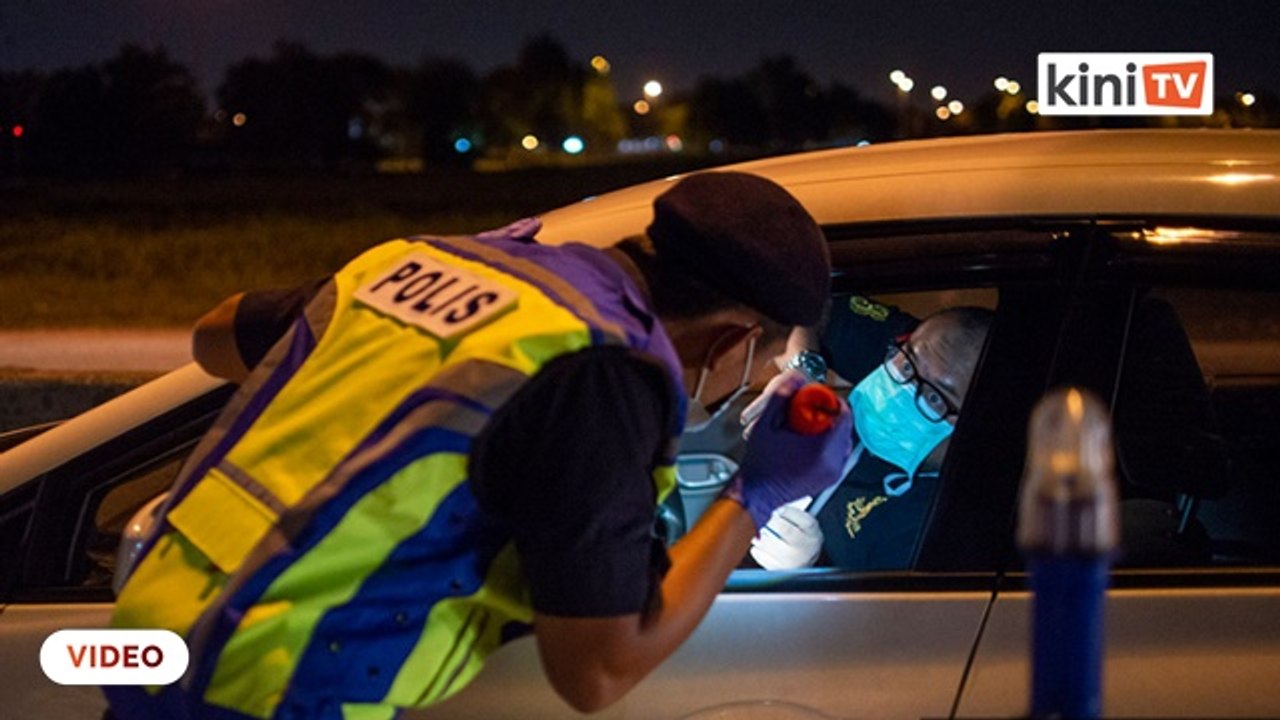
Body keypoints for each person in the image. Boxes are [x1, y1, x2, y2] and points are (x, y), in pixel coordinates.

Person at [105, 172, 852, 719]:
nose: (738, 388)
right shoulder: (601, 378)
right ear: (734, 340)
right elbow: (597, 671)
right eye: (753, 369)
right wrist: (755, 494)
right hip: (273, 696)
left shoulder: (415, 264)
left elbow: (213, 336)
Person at [745, 298, 991, 571]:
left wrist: (809, 570)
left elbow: (888, 611)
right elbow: (794, 301)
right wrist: (803, 370)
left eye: (933, 397)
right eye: (907, 367)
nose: (902, 391)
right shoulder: (922, 349)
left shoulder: (939, 530)